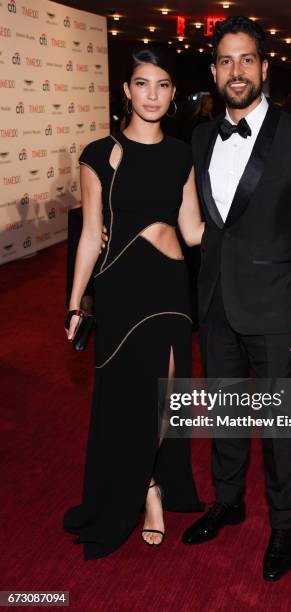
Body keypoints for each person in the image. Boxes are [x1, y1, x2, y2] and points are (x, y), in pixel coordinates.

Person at [180, 16, 291, 582]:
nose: (237, 71)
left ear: (264, 68)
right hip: (217, 304)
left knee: (278, 428)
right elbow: (203, 224)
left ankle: (285, 523)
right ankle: (227, 500)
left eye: (247, 59)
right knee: (223, 413)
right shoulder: (200, 137)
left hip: (278, 309)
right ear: (215, 71)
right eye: (226, 61)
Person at [63, 46, 204, 560]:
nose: (153, 95)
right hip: (121, 284)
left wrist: (250, 231)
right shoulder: (99, 153)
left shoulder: (182, 153)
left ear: (173, 93)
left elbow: (191, 231)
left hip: (170, 284)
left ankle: (155, 481)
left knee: (168, 390)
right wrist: (76, 301)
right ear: (126, 89)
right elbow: (88, 235)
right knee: (127, 393)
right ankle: (144, 486)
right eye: (143, 83)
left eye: (163, 85)